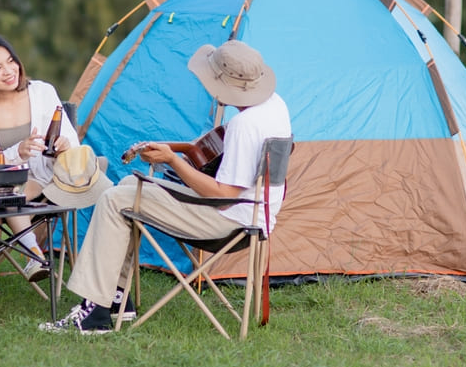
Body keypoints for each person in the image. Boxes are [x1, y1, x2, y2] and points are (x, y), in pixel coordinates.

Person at [40, 39, 291, 334]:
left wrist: (172, 159)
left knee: (113, 199)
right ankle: (117, 297)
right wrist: (176, 151)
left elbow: (222, 196)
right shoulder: (275, 105)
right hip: (254, 212)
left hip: (226, 220)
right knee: (128, 185)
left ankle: (94, 311)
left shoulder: (246, 125)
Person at [0, 33, 80, 315]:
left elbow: (72, 143)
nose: (9, 71)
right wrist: (16, 153)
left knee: (0, 198)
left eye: (11, 61)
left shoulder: (42, 93)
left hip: (44, 182)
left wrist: (62, 146)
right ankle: (33, 253)